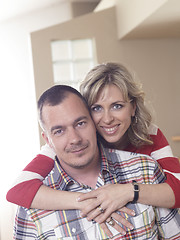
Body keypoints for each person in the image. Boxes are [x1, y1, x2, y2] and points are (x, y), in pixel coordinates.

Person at [7, 63, 180, 223]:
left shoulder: (149, 133)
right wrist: (87, 201)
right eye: (96, 108)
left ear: (133, 107)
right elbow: (18, 190)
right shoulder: (74, 140)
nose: (107, 119)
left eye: (117, 106)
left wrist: (127, 192)